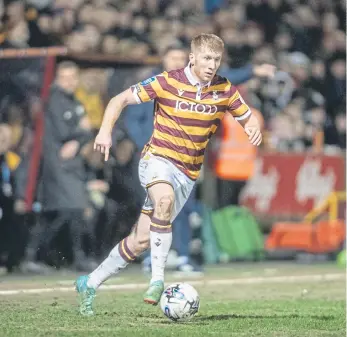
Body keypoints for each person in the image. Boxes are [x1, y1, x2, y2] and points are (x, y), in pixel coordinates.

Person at [75, 33, 262, 316]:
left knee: (139, 240)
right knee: (163, 200)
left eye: (216, 59)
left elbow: (246, 116)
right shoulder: (167, 81)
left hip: (187, 173)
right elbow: (119, 99)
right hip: (157, 159)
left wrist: (252, 127)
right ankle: (157, 280)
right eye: (207, 58)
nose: (212, 65)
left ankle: (89, 283)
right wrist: (104, 131)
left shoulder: (225, 89)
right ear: (193, 58)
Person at [22, 61, 95, 273]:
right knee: (69, 209)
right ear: (56, 79)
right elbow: (68, 133)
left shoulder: (74, 101)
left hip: (70, 166)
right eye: (65, 78)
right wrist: (81, 134)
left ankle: (37, 257)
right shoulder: (55, 100)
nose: (70, 82)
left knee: (63, 211)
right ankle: (39, 257)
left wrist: (81, 136)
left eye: (73, 77)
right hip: (58, 166)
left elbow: (85, 131)